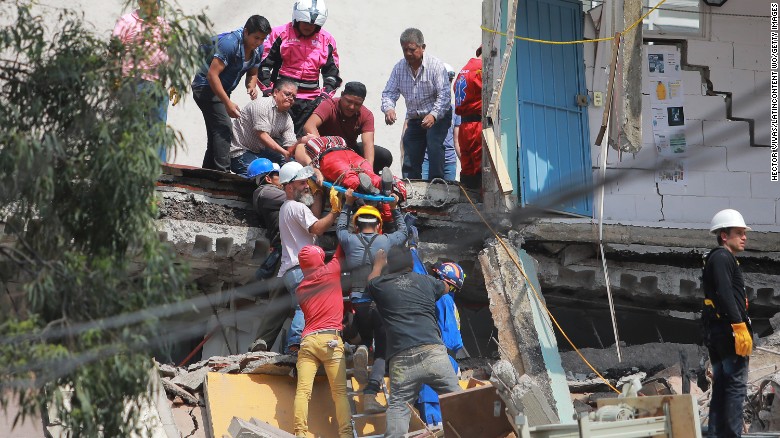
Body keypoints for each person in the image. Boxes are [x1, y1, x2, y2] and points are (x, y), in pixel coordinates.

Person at [365, 246, 462, 437]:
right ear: (411, 263)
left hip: (401, 360)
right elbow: (445, 286)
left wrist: (378, 264)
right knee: (458, 398)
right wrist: (440, 269)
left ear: (389, 265)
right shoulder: (427, 282)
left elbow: (370, 281)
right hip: (433, 353)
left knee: (399, 406)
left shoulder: (381, 285)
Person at [336, 189, 408, 414]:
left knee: (365, 336)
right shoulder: (386, 240)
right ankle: (372, 391)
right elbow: (404, 231)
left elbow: (339, 228)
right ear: (378, 226)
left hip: (359, 302)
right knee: (382, 351)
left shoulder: (349, 240)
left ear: (357, 226)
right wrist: (395, 209)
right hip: (381, 304)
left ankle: (360, 348)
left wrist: (347, 204)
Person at [192, 15, 271, 172]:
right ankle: (223, 173)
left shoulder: (258, 49)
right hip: (205, 88)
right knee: (225, 128)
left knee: (217, 133)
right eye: (256, 38)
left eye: (262, 39)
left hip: (221, 91)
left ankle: (207, 174)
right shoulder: (230, 43)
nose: (259, 42)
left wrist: (251, 86)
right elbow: (212, 75)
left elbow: (253, 72)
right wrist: (227, 103)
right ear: (246, 32)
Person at [277, 161, 340, 353]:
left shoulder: (288, 207)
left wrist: (318, 194)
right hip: (299, 269)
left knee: (306, 306)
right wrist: (337, 211)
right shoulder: (296, 207)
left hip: (292, 270)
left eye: (307, 183)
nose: (307, 186)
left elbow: (313, 217)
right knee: (302, 307)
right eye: (302, 184)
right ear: (289, 187)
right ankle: (295, 344)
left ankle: (299, 343)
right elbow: (318, 228)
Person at [293, 245, 354, 438]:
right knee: (340, 394)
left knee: (303, 392)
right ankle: (345, 434)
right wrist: (342, 214)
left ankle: (300, 433)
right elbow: (342, 247)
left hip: (308, 341)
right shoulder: (331, 270)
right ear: (319, 259)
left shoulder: (300, 289)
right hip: (331, 341)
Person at [702, 209, 753, 438]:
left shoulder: (719, 258)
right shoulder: (723, 258)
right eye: (739, 233)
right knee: (735, 388)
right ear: (724, 236)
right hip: (728, 333)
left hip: (719, 331)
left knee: (722, 388)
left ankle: (716, 435)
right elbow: (724, 293)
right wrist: (739, 325)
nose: (744, 237)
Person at [259, 0, 341, 135]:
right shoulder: (279, 33)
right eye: (305, 22)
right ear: (297, 19)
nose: (309, 26)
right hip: (280, 97)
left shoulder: (327, 40)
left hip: (310, 102)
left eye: (313, 24)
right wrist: (269, 91)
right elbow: (264, 66)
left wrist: (323, 97)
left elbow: (332, 75)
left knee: (303, 143)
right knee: (274, 139)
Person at [381, 28, 451, 180]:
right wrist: (389, 108)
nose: (408, 54)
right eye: (404, 50)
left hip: (438, 115)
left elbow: (445, 95)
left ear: (422, 47)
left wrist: (433, 115)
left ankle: (437, 182)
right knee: (410, 148)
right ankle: (410, 185)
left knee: (434, 143)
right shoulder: (399, 68)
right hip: (415, 118)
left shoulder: (436, 66)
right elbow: (389, 93)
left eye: (412, 49)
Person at [111, 0, 176, 163]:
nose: (155, 6)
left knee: (157, 129)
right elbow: (113, 52)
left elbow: (173, 55)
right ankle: (130, 166)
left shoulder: (164, 25)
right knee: (132, 127)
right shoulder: (127, 21)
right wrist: (115, 78)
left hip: (157, 86)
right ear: (140, 2)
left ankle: (158, 170)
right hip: (132, 83)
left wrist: (175, 83)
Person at [294, 136, 405, 222]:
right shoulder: (303, 146)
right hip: (335, 155)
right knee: (356, 173)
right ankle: (376, 184)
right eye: (305, 135)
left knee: (358, 175)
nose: (308, 134)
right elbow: (307, 161)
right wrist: (317, 172)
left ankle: (376, 185)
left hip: (343, 155)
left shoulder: (325, 140)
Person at [416, 262, 467, 427]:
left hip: (438, 359)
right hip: (449, 359)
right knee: (448, 414)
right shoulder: (449, 302)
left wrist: (411, 250)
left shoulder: (441, 298)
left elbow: (418, 277)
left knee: (434, 416)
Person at [303, 81, 393, 174]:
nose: (351, 107)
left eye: (357, 104)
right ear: (342, 95)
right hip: (325, 150)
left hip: (348, 150)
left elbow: (368, 143)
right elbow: (309, 125)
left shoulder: (367, 115)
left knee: (384, 156)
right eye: (349, 101)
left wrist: (369, 170)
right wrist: (323, 150)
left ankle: (366, 178)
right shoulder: (329, 105)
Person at [247, 158, 285, 352]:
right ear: (268, 179)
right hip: (285, 251)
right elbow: (297, 197)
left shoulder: (269, 192)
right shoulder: (266, 193)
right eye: (279, 175)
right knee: (280, 300)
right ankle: (261, 343)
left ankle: (264, 342)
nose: (283, 178)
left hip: (289, 250)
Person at [229, 79, 302, 176]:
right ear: (276, 92)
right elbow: (262, 135)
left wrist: (301, 142)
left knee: (292, 167)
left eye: (294, 97)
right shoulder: (262, 105)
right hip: (241, 152)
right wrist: (284, 152)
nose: (291, 98)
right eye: (288, 94)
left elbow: (290, 146)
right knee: (263, 175)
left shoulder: (287, 118)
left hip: (260, 152)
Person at [422, 64, 461, 181]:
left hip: (449, 162)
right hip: (427, 161)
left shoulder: (455, 111)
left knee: (448, 196)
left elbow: (457, 140)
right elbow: (408, 134)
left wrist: (464, 163)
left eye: (450, 80)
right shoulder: (423, 108)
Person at [453, 46, 483, 189]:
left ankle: (468, 203)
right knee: (480, 167)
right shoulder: (482, 70)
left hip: (464, 126)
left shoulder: (463, 71)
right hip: (477, 126)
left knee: (467, 166)